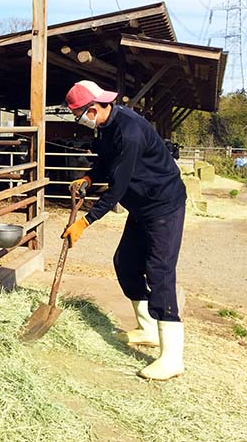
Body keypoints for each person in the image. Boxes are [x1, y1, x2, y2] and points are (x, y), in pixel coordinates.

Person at [60, 80, 187, 381]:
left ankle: (172, 358)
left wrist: (86, 221)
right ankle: (147, 328)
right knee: (125, 263)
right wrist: (89, 178)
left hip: (163, 205)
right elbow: (107, 162)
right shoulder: (106, 127)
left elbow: (117, 188)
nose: (81, 121)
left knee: (159, 272)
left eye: (80, 116)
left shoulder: (129, 131)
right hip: (141, 206)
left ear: (93, 109)